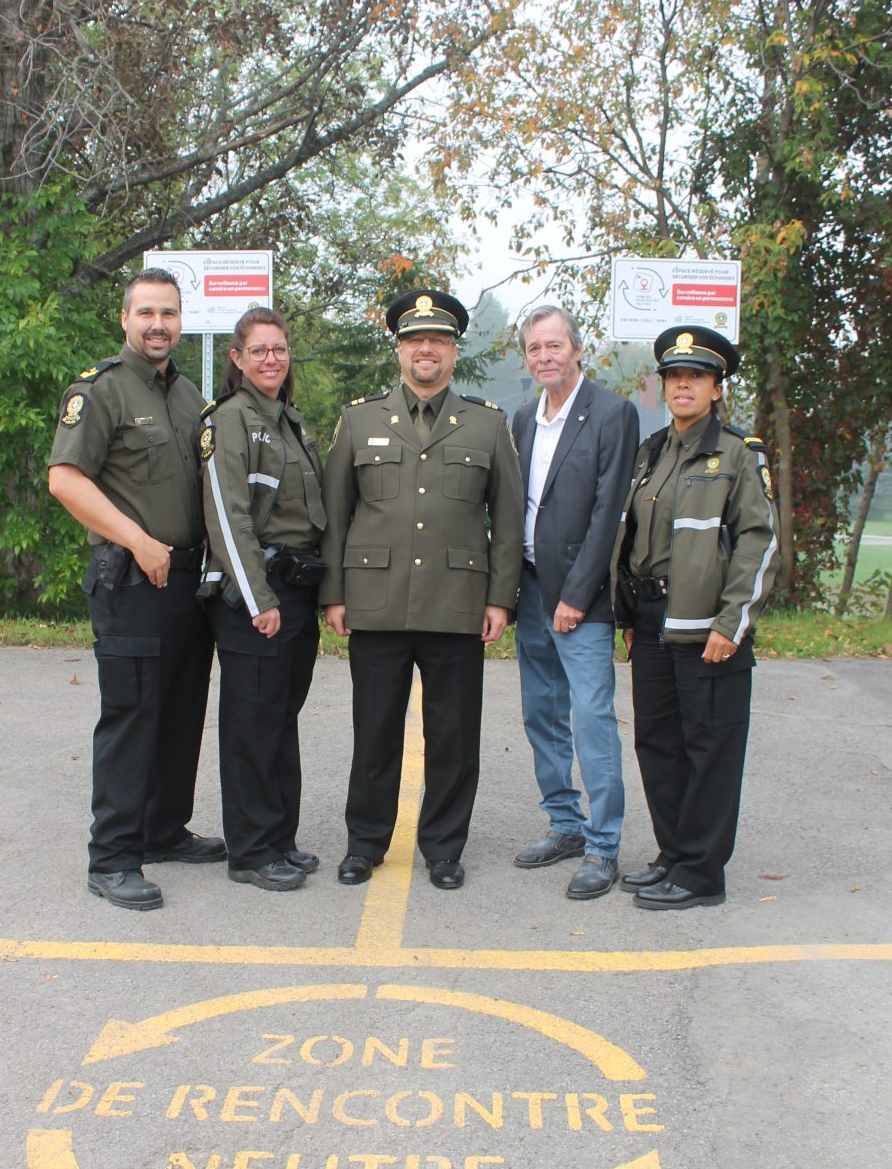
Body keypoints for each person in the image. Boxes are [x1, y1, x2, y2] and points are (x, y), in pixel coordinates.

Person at [320, 288, 524, 890]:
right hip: (376, 600)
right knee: (374, 730)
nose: (425, 349)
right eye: (415, 339)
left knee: (454, 736)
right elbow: (336, 511)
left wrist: (500, 598)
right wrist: (333, 593)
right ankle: (365, 843)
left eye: (437, 339)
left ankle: (443, 847)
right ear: (400, 349)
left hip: (458, 604)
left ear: (453, 350)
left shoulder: (487, 424)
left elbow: (508, 520)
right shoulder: (359, 419)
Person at [47, 268, 225, 911]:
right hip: (131, 579)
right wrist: (137, 541)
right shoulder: (101, 392)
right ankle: (113, 857)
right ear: (125, 319)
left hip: (183, 580)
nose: (158, 325)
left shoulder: (186, 397)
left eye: (169, 314)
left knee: (179, 713)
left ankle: (163, 830)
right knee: (131, 718)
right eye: (146, 313)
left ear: (182, 321)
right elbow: (66, 480)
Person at [612, 323, 779, 910]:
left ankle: (703, 873)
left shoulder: (737, 454)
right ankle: (674, 853)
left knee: (710, 746)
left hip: (707, 625)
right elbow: (634, 536)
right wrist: (627, 610)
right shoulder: (652, 452)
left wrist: (731, 624)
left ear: (716, 387)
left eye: (696, 376)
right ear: (662, 387)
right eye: (674, 376)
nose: (683, 385)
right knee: (659, 743)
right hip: (653, 619)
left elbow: (758, 544)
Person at [510, 305, 640, 899]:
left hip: (578, 596)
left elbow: (609, 513)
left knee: (590, 716)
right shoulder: (522, 419)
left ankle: (602, 845)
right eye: (535, 349)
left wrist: (577, 596)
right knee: (542, 712)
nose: (545, 357)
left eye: (554, 346)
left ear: (577, 349)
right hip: (531, 587)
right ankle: (564, 824)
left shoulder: (613, 412)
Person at [199, 308, 326, 891]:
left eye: (279, 349)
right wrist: (258, 599)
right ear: (237, 358)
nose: (271, 359)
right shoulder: (231, 419)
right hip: (258, 597)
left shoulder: (288, 421)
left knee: (279, 721)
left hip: (294, 593)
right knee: (252, 725)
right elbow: (229, 517)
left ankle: (280, 839)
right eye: (259, 351)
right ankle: (250, 852)